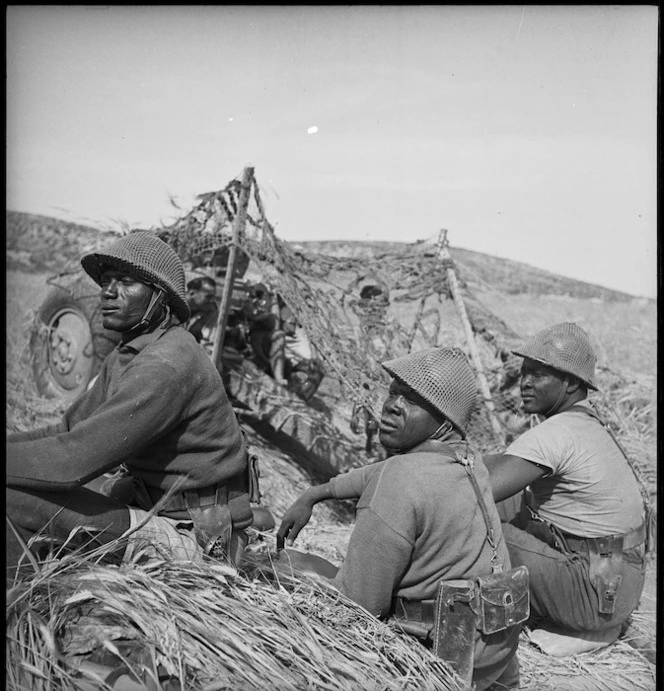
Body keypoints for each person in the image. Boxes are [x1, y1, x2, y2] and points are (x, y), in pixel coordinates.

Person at [6, 231, 255, 577]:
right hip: (153, 508)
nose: (108, 292)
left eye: (126, 282)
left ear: (160, 297)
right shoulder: (128, 354)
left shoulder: (168, 364)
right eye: (107, 281)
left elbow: (71, 460)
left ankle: (25, 605)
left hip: (197, 539)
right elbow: (66, 430)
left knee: (13, 498)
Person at [277, 347, 521, 690]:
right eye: (394, 391)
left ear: (444, 423)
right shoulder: (468, 460)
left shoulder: (400, 479)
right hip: (493, 649)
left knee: (287, 563)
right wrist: (316, 493)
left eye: (412, 399)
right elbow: (377, 472)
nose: (392, 404)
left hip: (440, 659)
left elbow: (358, 608)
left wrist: (285, 574)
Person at [484, 322, 647, 641]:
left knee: (475, 523)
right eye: (523, 372)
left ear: (571, 384)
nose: (524, 383)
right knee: (511, 500)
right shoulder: (590, 426)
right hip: (621, 584)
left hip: (592, 597)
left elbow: (471, 493)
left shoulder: (557, 434)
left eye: (538, 374)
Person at [185, 275, 218, 346]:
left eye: (213, 297)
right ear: (192, 293)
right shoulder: (173, 308)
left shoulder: (208, 310)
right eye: (208, 296)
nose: (212, 301)